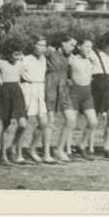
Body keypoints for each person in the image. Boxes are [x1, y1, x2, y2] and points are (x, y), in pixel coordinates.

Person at [19, 35, 53, 164]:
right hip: (27, 89)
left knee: (44, 123)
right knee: (23, 124)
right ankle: (18, 153)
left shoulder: (44, 59)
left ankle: (33, 149)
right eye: (40, 45)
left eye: (44, 45)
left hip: (39, 90)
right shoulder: (25, 59)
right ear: (32, 46)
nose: (43, 48)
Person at [0, 39, 29, 166]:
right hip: (5, 94)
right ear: (9, 53)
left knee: (23, 125)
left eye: (20, 54)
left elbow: (21, 78)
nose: (18, 57)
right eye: (15, 54)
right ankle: (3, 156)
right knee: (7, 126)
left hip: (17, 93)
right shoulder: (1, 63)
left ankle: (13, 148)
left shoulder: (20, 63)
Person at [44, 33, 76, 163]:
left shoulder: (68, 57)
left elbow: (67, 74)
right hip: (50, 88)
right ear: (62, 43)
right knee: (49, 123)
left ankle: (59, 149)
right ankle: (46, 154)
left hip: (64, 90)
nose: (73, 48)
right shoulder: (50, 52)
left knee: (71, 120)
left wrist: (68, 79)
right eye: (71, 45)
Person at [66, 38, 99, 160]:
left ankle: (82, 145)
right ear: (79, 46)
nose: (89, 49)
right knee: (71, 123)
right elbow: (63, 71)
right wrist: (67, 79)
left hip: (87, 93)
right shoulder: (72, 59)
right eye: (86, 46)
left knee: (93, 122)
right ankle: (68, 150)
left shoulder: (91, 60)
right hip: (74, 92)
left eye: (91, 47)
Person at [90, 33, 109, 159]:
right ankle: (90, 148)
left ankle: (106, 147)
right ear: (104, 44)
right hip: (95, 87)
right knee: (93, 121)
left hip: (106, 88)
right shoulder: (94, 54)